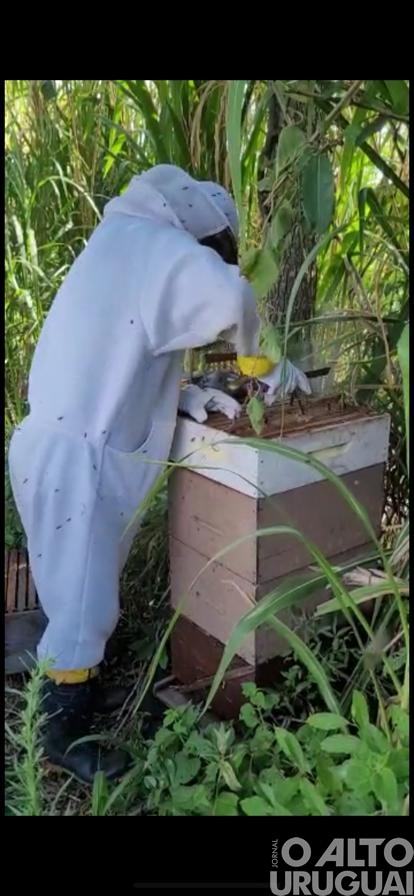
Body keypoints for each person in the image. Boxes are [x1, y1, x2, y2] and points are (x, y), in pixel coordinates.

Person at [8, 164, 310, 783]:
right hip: (76, 460)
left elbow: (116, 361)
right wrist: (263, 362)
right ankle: (59, 734)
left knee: (80, 591)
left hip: (63, 447)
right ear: (202, 233)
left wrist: (184, 396)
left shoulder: (120, 245)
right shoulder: (156, 247)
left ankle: (83, 685)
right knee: (82, 604)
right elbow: (233, 296)